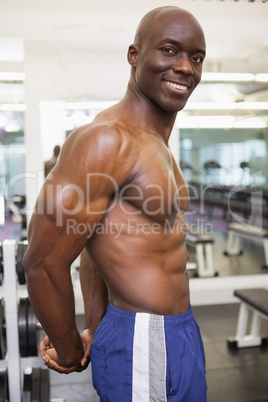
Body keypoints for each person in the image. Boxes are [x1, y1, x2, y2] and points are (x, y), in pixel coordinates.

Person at [23, 5, 207, 401]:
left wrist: (95, 321)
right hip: (142, 337)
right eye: (170, 50)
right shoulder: (107, 139)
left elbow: (94, 240)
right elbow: (42, 261)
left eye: (195, 57)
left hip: (183, 333)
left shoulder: (156, 143)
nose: (185, 67)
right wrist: (71, 349)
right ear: (134, 55)